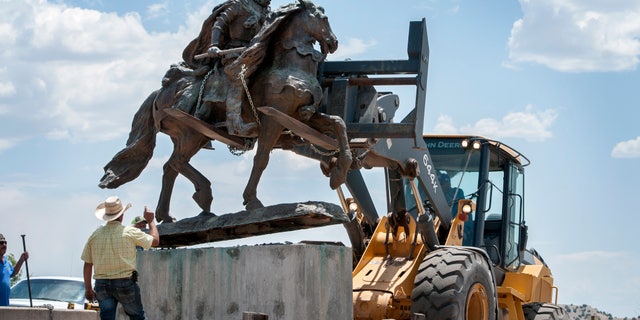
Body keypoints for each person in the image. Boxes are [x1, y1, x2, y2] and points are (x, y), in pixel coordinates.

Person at [180, 0, 272, 137]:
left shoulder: (267, 13)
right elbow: (219, 24)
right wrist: (214, 45)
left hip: (255, 54)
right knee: (239, 76)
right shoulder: (240, 5)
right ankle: (234, 122)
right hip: (234, 52)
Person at [81, 196, 159, 320]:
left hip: (102, 284)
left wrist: (88, 289)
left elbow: (88, 264)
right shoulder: (129, 232)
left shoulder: (94, 235)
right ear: (122, 215)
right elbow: (155, 241)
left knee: (107, 317)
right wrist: (151, 221)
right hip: (125, 282)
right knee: (137, 316)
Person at [0, 234, 28, 306]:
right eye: (1, 243)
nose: (4, 245)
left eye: (5, 243)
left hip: (4, 305)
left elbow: (13, 272)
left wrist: (22, 259)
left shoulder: (6, 261)